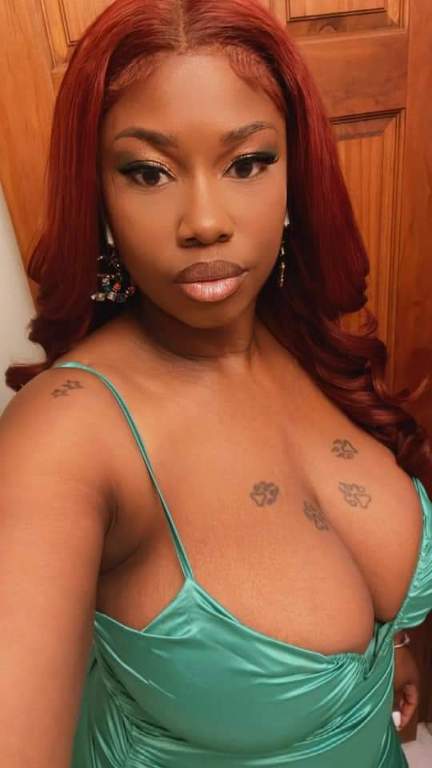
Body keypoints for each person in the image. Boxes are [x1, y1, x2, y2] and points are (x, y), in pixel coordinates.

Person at [1, 0, 431, 765]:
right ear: (99, 196)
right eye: (148, 171)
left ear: (296, 174)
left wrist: (386, 646)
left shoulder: (306, 344)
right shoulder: (63, 436)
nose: (204, 221)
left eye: (247, 162)